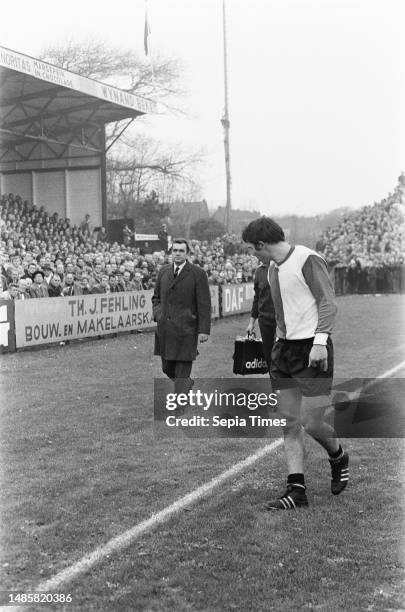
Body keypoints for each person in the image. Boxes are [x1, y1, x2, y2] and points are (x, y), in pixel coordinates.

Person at [242, 216, 348, 510]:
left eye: (253, 248)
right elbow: (280, 313)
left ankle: (338, 456)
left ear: (262, 244)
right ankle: (296, 490)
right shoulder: (272, 269)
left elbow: (328, 302)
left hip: (312, 350)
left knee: (312, 421)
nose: (253, 254)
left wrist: (318, 342)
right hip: (284, 352)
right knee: (289, 421)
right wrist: (278, 342)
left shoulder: (307, 259)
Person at [152, 238, 211, 398]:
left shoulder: (198, 274)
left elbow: (204, 304)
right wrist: (159, 315)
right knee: (167, 368)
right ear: (171, 252)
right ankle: (186, 384)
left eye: (181, 251)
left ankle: (179, 405)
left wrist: (204, 330)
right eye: (175, 250)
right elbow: (156, 297)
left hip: (187, 329)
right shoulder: (163, 271)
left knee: (182, 369)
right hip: (165, 330)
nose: (177, 254)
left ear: (187, 253)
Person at [246, 258, 277, 369]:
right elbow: (257, 298)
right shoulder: (259, 271)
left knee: (279, 354)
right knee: (268, 355)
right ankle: (275, 384)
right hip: (264, 320)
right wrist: (251, 323)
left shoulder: (280, 267)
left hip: (281, 321)